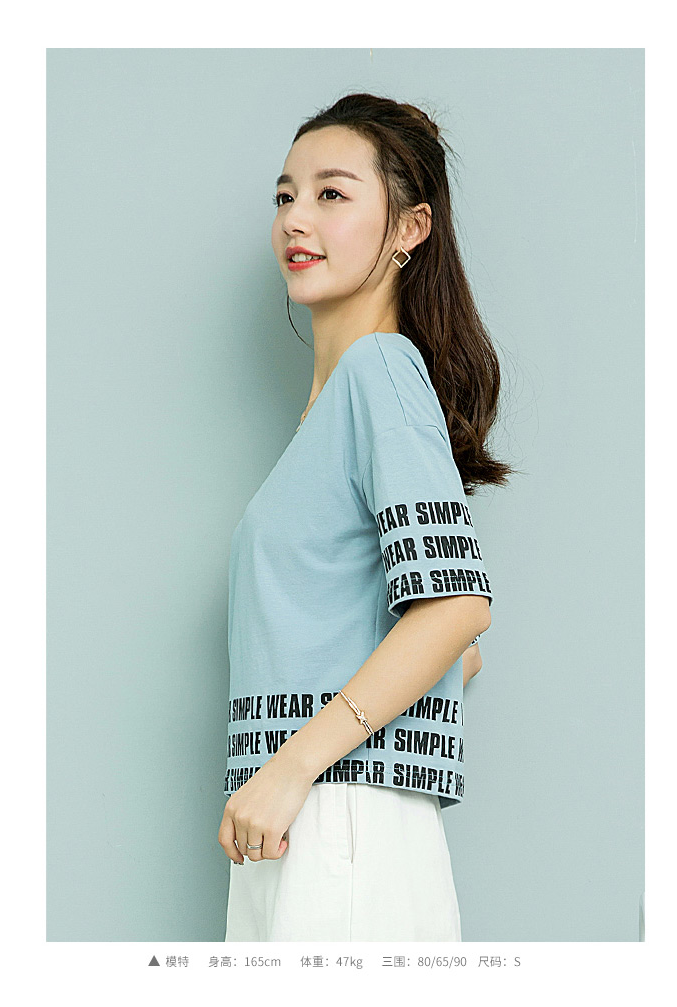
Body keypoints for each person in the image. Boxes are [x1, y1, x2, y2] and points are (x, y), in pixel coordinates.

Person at [219, 92, 514, 942]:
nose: (295, 217)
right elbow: (458, 649)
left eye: (331, 193)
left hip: (333, 817)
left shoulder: (379, 370)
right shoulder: (335, 408)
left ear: (411, 228)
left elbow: (457, 610)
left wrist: (294, 765)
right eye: (285, 195)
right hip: (300, 818)